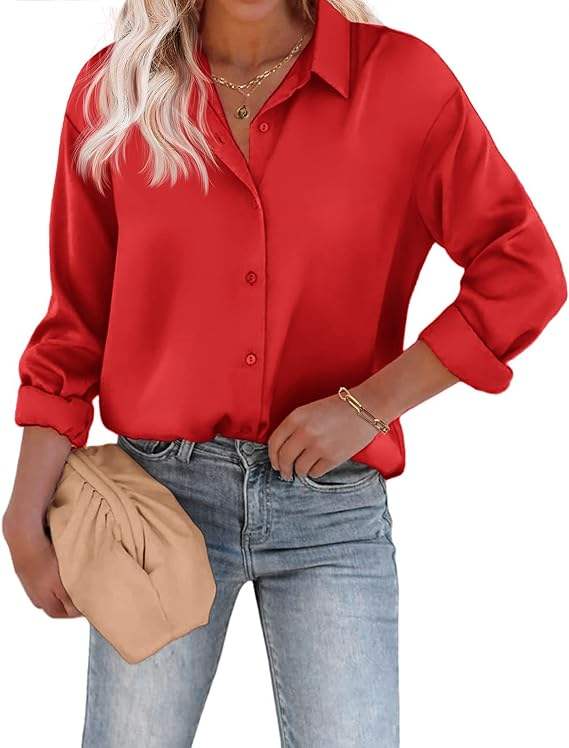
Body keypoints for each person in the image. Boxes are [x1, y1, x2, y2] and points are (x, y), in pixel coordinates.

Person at [3, 0, 566, 745]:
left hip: (332, 512)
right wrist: (24, 510)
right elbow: (77, 319)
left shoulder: (402, 83)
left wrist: (368, 406)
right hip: (157, 509)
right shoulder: (115, 93)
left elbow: (522, 271)